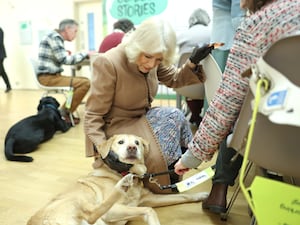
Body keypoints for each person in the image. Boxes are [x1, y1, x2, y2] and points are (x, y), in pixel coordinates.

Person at [174, 0, 300, 214]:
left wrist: (192, 156)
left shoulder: (256, 25)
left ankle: (221, 188)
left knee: (243, 114)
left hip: (278, 139)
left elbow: (226, 104)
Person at [84, 16, 214, 194]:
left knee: (175, 115)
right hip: (117, 127)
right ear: (138, 46)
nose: (152, 64)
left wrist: (192, 62)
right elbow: (92, 116)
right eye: (148, 57)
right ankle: (162, 178)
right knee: (161, 149)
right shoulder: (108, 63)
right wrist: (104, 151)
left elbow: (174, 78)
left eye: (159, 60)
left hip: (141, 118)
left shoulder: (152, 57)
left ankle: (174, 170)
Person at [37, 19, 90, 125]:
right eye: (75, 31)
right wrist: (85, 54)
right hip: (48, 78)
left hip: (51, 76)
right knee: (85, 83)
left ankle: (65, 110)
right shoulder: (55, 37)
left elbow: (61, 57)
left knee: (78, 84)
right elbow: (65, 60)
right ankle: (65, 113)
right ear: (67, 29)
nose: (75, 34)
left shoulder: (53, 36)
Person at [177, 8, 211, 127]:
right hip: (209, 84)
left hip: (184, 85)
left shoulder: (182, 35)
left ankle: (195, 115)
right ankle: (198, 116)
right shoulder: (212, 33)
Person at [0, 27, 12, 93]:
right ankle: (9, 86)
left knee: (1, 71)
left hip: (0, 55)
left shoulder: (0, 30)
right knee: (2, 72)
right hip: (1, 54)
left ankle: (8, 86)